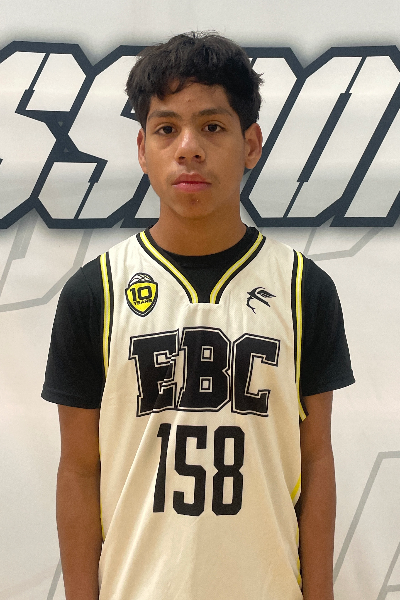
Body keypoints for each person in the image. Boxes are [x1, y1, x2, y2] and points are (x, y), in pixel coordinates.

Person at [42, 31, 354, 600]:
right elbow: (79, 471)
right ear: (143, 149)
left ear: (251, 143)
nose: (189, 148)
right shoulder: (95, 292)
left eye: (212, 126)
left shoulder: (304, 288)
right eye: (167, 129)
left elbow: (316, 460)